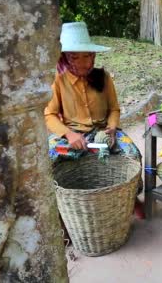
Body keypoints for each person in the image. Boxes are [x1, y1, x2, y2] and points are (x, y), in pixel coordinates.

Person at [44, 21, 145, 219]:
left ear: (93, 55)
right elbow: (49, 115)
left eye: (87, 56)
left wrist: (112, 128)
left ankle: (132, 197)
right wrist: (69, 134)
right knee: (49, 158)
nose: (83, 62)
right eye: (75, 57)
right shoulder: (58, 80)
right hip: (72, 134)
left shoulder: (103, 77)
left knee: (133, 154)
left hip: (103, 130)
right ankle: (61, 213)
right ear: (65, 57)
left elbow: (114, 109)